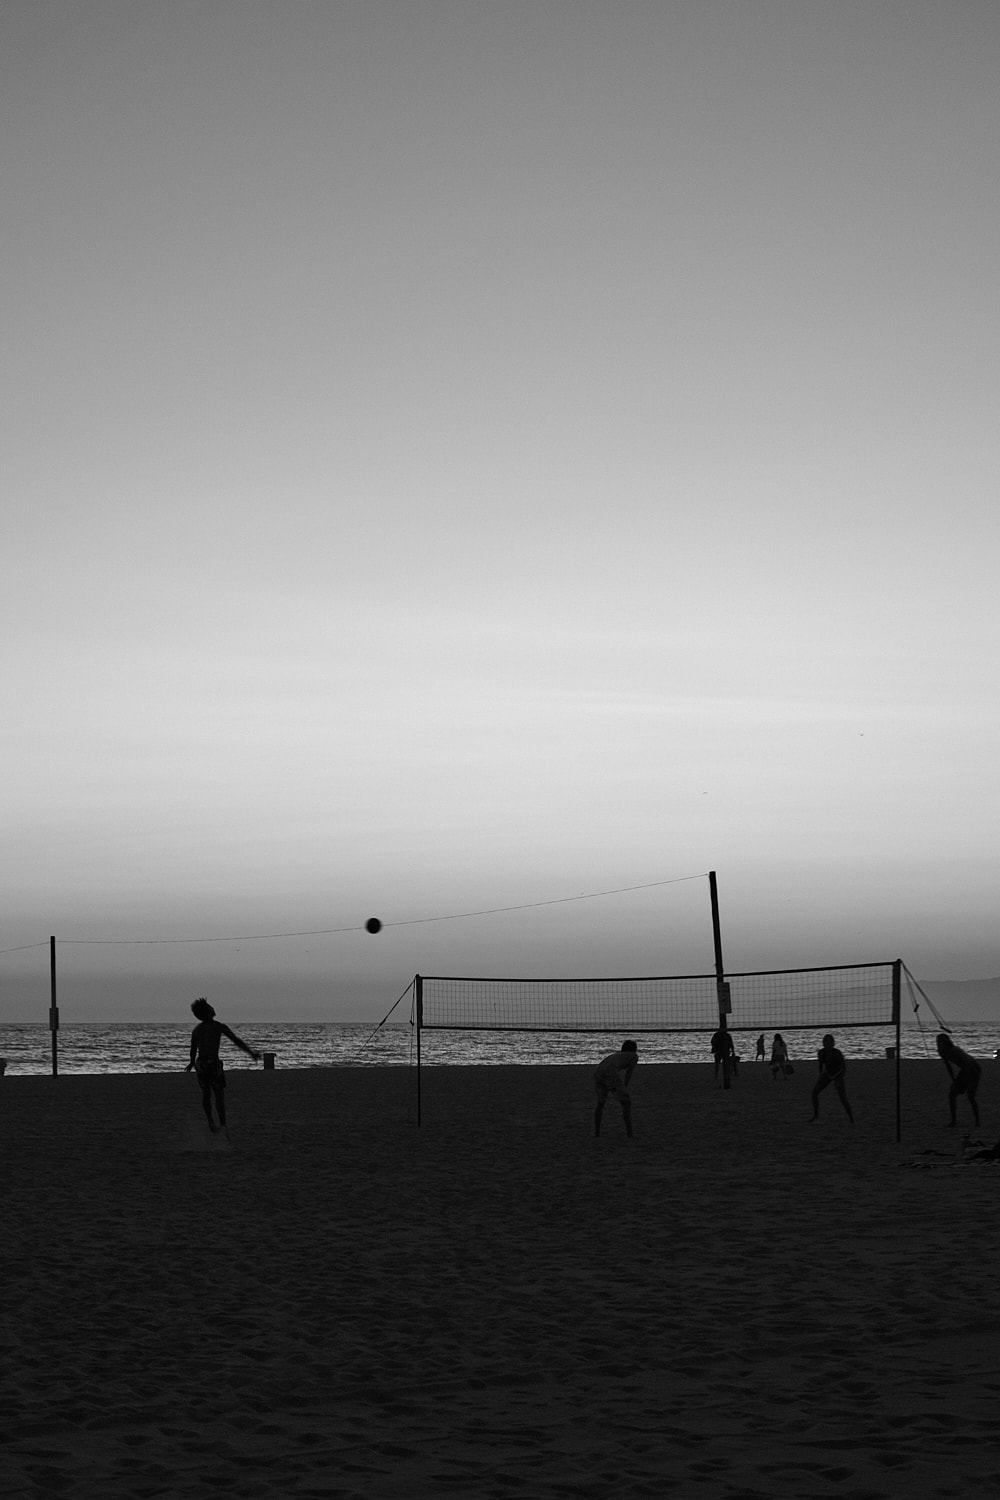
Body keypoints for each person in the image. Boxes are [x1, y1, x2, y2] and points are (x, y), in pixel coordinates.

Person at [186, 998, 260, 1133]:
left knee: (207, 1094)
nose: (213, 1008)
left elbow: (193, 1049)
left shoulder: (198, 1029)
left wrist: (192, 1062)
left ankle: (211, 1122)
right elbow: (236, 1041)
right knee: (218, 1095)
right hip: (212, 1064)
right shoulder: (218, 1027)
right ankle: (222, 1123)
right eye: (210, 1007)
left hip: (201, 1063)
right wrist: (251, 1053)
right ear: (207, 1012)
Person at [935, 1033, 981, 1128]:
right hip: (964, 1070)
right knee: (952, 1095)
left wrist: (967, 1082)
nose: (938, 1044)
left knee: (970, 1096)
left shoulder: (955, 1051)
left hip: (973, 1069)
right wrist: (953, 1080)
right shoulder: (941, 1051)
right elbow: (948, 1066)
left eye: (940, 1042)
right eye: (937, 1042)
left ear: (945, 1042)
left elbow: (967, 1066)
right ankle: (953, 1121)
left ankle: (977, 1122)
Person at [594, 1040, 638, 1137]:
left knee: (601, 1102)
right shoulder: (633, 1056)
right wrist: (625, 1087)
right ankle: (629, 1133)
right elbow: (628, 1073)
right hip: (610, 1073)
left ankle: (597, 1132)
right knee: (626, 1102)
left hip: (598, 1071)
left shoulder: (617, 1055)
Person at [810, 1033, 854, 1123]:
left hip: (838, 1074)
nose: (827, 1044)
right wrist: (821, 1075)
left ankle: (851, 1117)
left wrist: (837, 1079)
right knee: (814, 1093)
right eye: (825, 1042)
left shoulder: (837, 1053)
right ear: (823, 1043)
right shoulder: (821, 1052)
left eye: (829, 1042)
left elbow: (843, 1068)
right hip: (827, 1074)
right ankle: (816, 1115)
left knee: (843, 1098)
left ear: (833, 1043)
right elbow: (820, 1065)